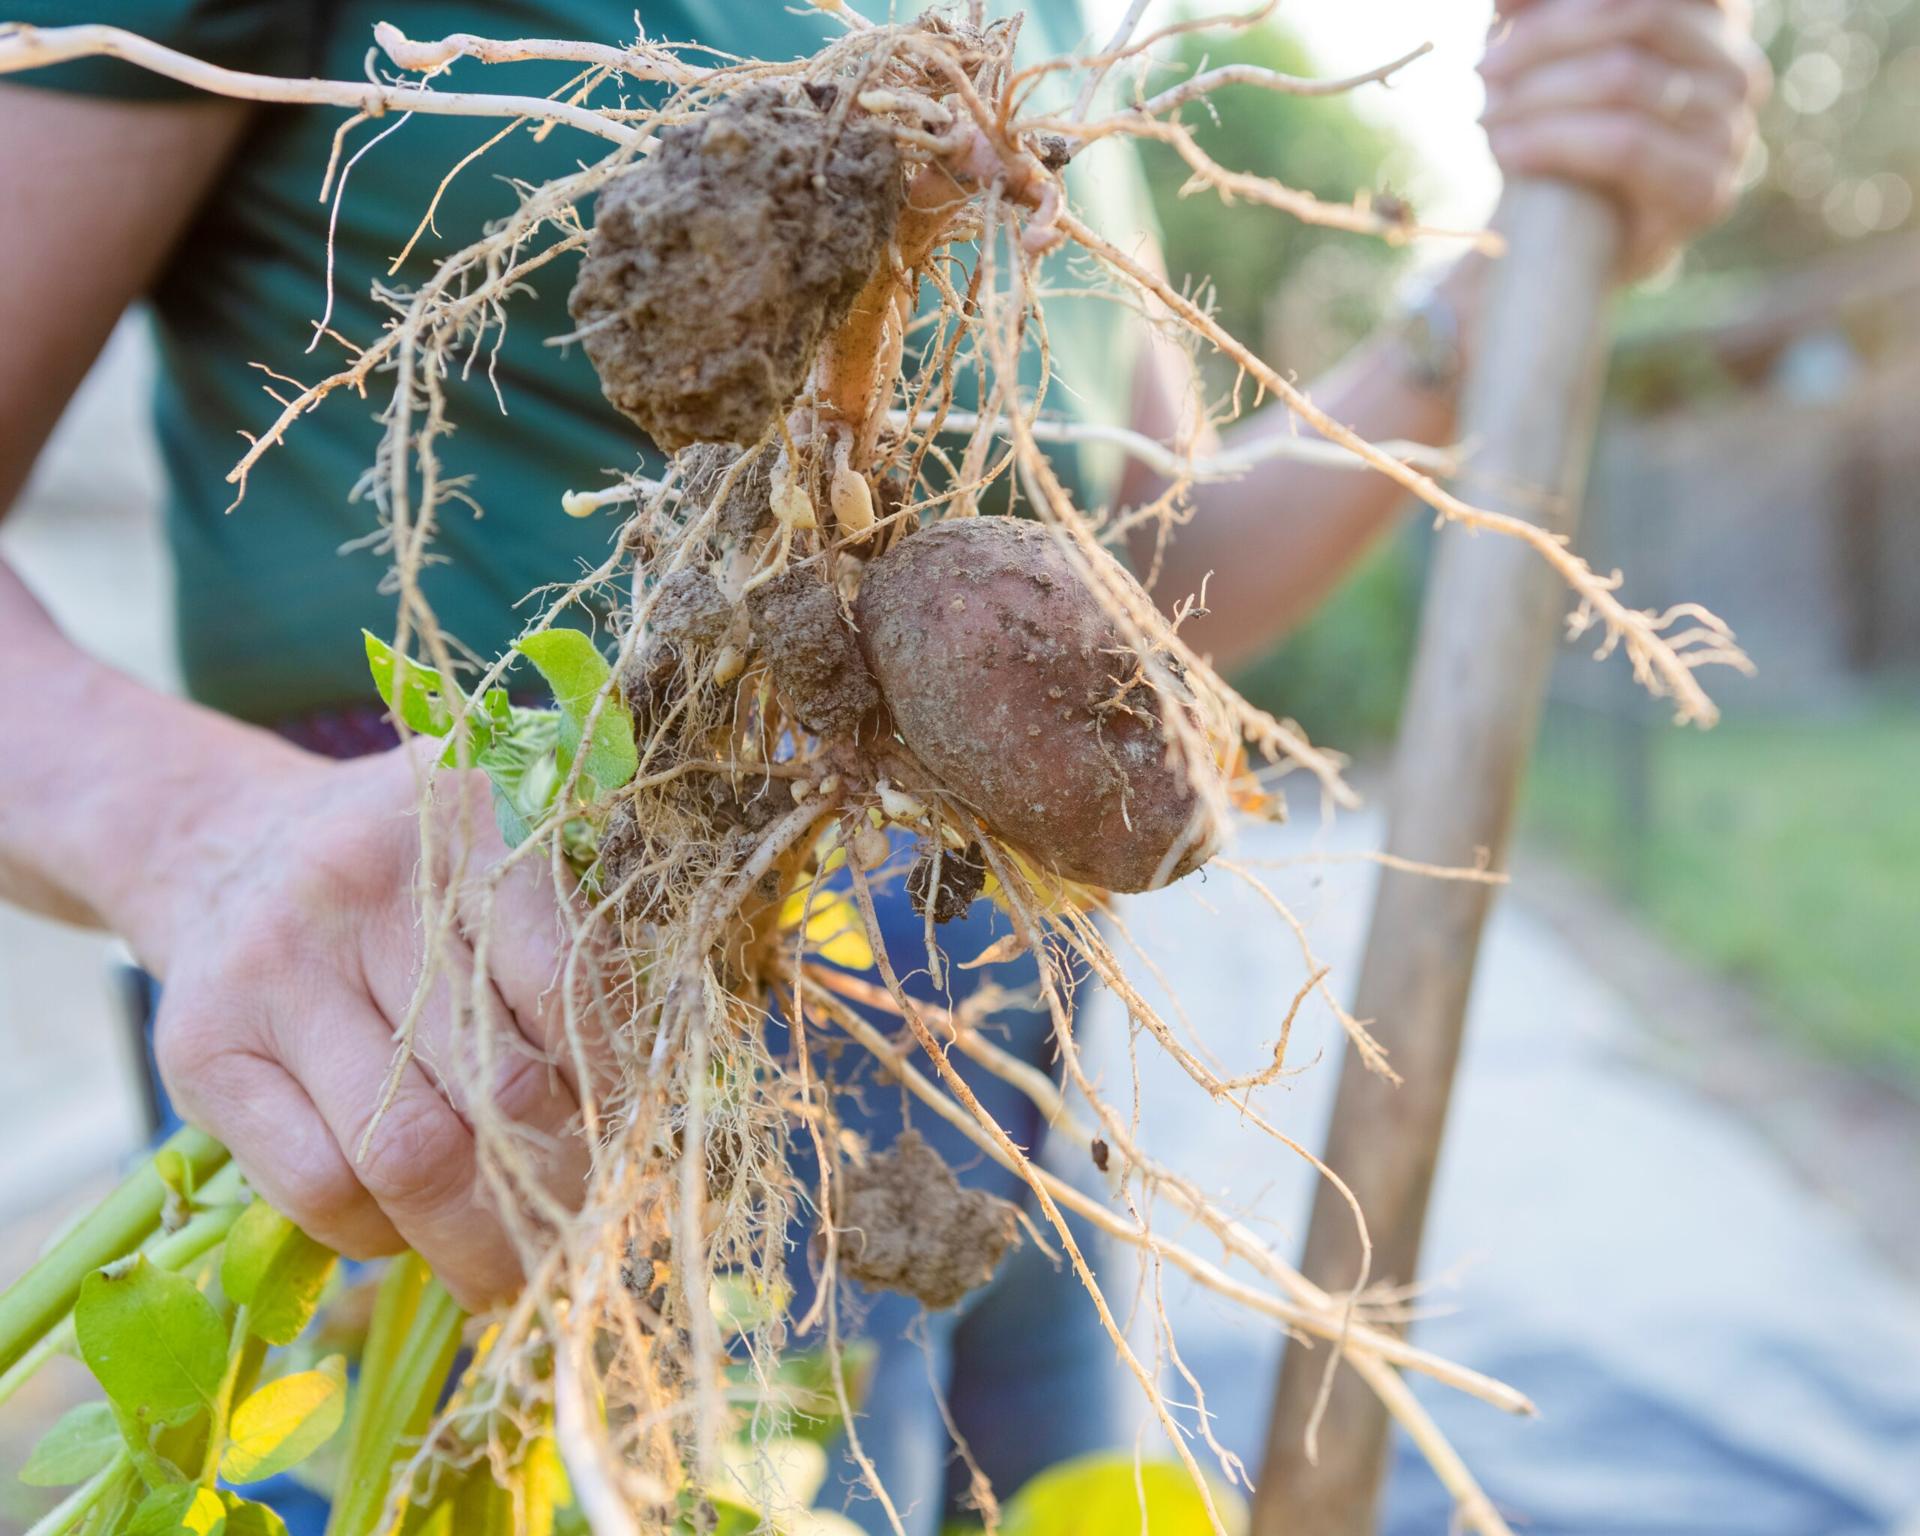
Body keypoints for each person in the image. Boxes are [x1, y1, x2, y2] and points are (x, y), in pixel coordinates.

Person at [0, 0, 1765, 1530]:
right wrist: (205, 840)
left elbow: (1141, 558)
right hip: (498, 1003)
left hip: (989, 1022)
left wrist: (1492, 294)